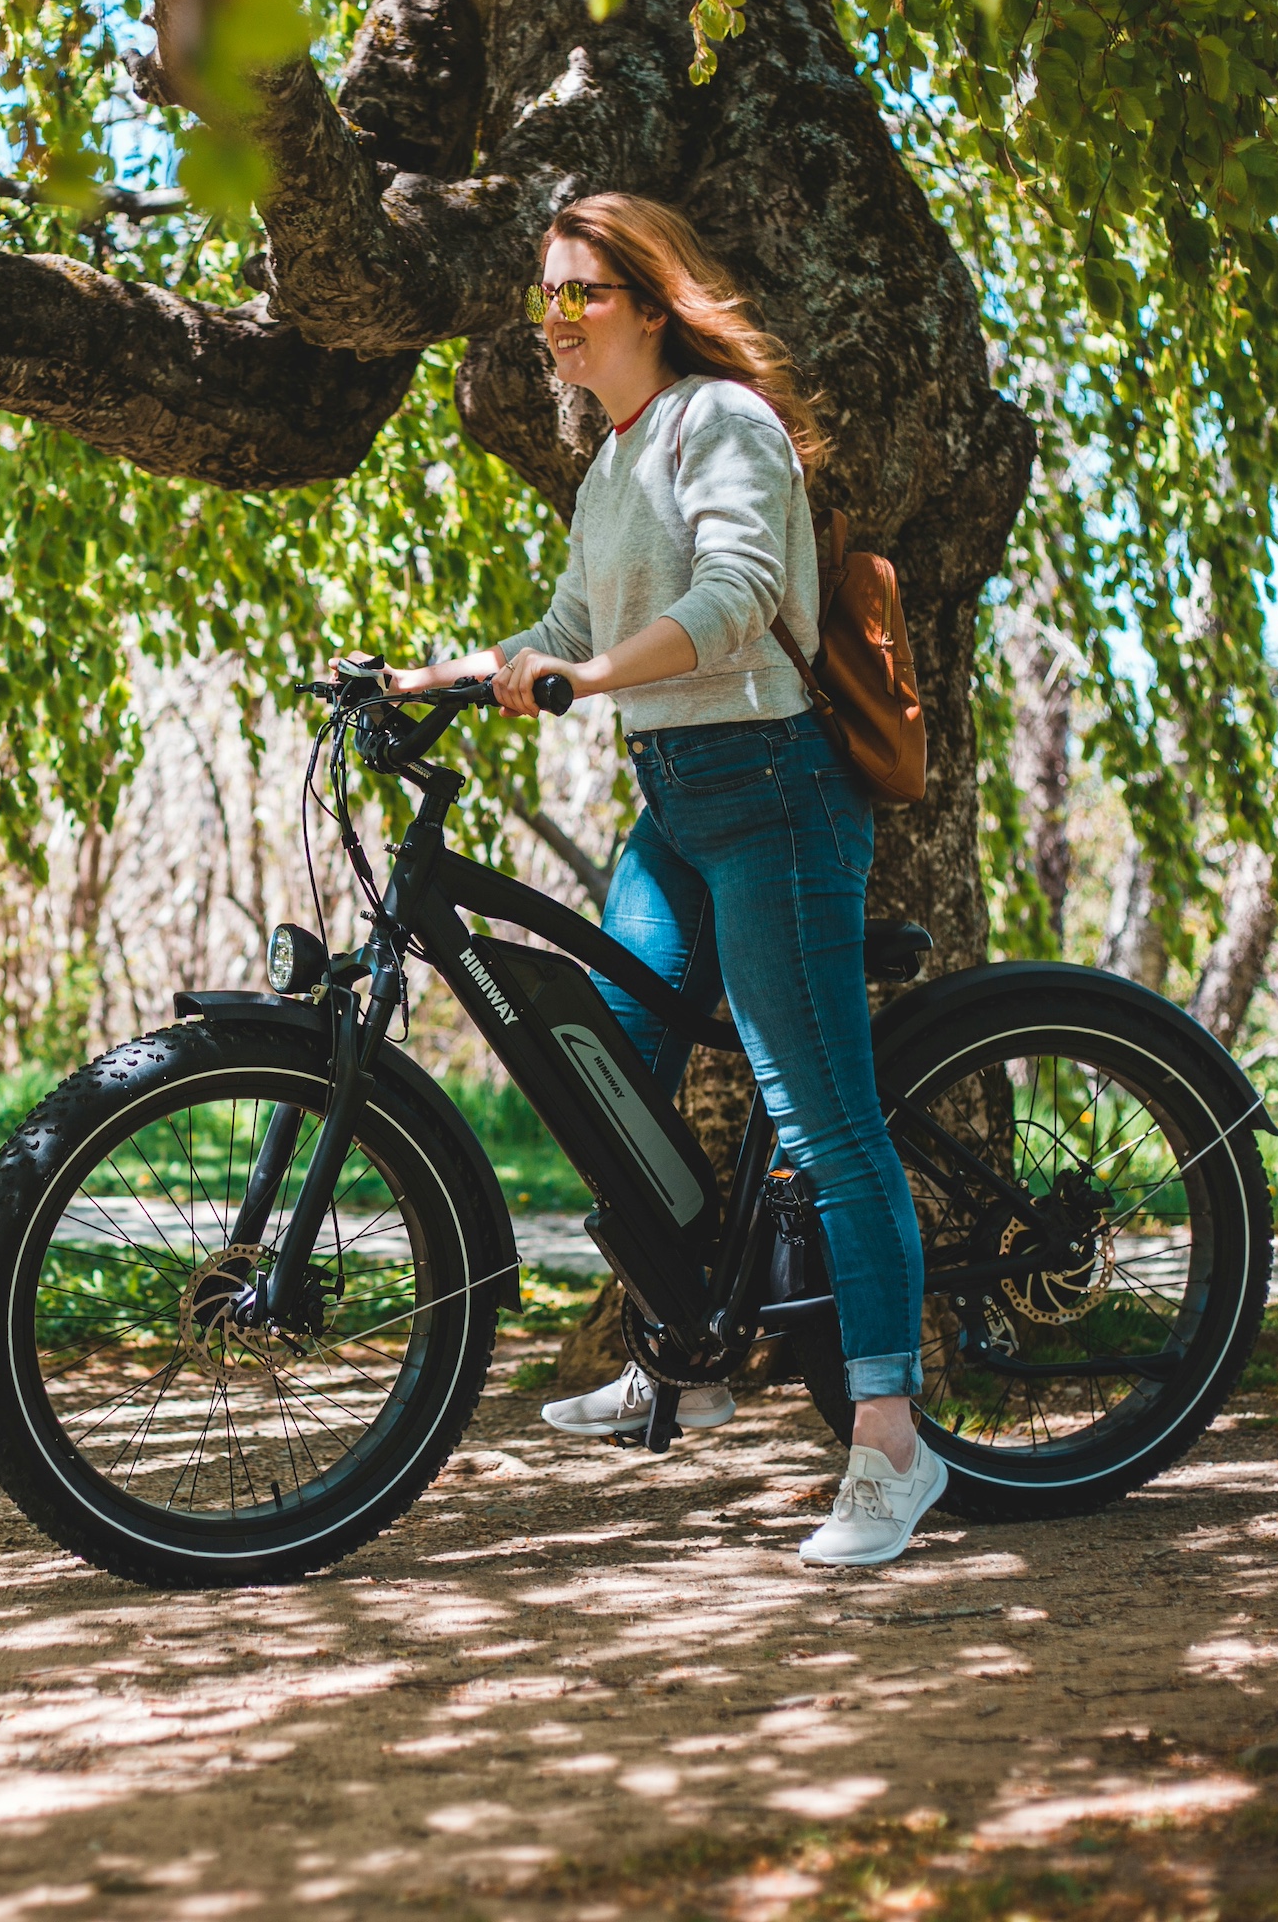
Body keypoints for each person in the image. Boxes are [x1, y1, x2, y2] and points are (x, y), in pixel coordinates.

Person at [385, 193, 944, 1568]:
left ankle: (891, 1444)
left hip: (776, 795)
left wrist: (588, 682)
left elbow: (739, 596)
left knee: (822, 1119)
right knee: (610, 1083)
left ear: (648, 302)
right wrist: (432, 675)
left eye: (581, 293)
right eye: (547, 297)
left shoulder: (720, 424)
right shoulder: (610, 465)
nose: (556, 319)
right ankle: (687, 1362)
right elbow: (572, 628)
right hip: (679, 804)